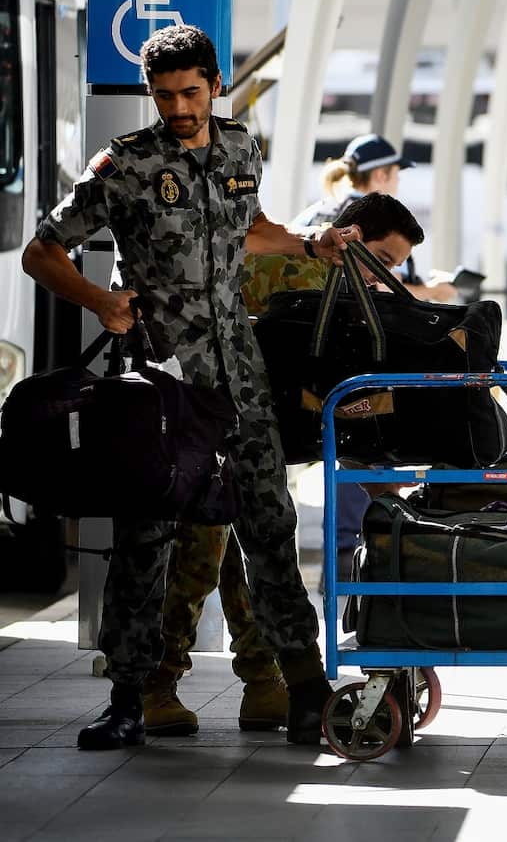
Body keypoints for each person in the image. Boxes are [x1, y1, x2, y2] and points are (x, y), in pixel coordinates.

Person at [21, 24, 348, 750]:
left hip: (240, 376)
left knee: (270, 527)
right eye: (164, 95)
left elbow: (248, 229)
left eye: (190, 93)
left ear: (215, 85)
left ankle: (305, 688)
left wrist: (308, 243)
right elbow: (40, 251)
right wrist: (100, 301)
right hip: (161, 386)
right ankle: (129, 698)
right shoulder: (126, 163)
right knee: (148, 539)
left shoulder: (240, 148)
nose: (178, 107)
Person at [143, 193, 426, 737]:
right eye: (382, 260)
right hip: (213, 432)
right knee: (205, 556)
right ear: (352, 237)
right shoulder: (302, 274)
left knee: (244, 561)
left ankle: (260, 684)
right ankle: (162, 683)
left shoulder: (329, 279)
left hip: (241, 436)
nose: (383, 277)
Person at [293, 133, 455, 303]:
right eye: (397, 174)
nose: (398, 181)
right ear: (380, 175)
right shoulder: (387, 224)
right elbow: (386, 290)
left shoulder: (314, 211)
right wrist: (434, 290)